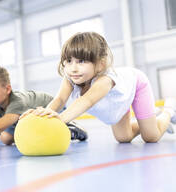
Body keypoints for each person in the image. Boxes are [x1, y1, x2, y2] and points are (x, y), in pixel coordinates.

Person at [21, 32, 176, 143]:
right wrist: (44, 114)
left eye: (81, 61)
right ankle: (149, 118)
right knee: (124, 138)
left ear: (100, 64)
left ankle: (168, 112)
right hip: (118, 102)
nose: (73, 68)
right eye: (68, 61)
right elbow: (60, 99)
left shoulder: (105, 81)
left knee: (151, 137)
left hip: (136, 86)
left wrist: (60, 119)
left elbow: (87, 100)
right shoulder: (70, 78)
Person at [0, 66, 87, 152]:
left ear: (7, 89)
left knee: (42, 134)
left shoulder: (16, 102)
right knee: (5, 139)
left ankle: (71, 129)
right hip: (24, 118)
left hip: (51, 108)